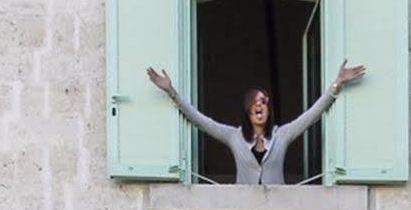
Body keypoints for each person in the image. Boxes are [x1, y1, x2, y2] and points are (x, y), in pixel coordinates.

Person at [145, 63, 365, 185]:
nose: (259, 105)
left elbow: (312, 115)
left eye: (264, 101)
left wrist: (337, 84)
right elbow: (201, 121)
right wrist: (171, 92)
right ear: (247, 110)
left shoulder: (282, 135)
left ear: (268, 109)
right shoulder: (234, 137)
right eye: (255, 101)